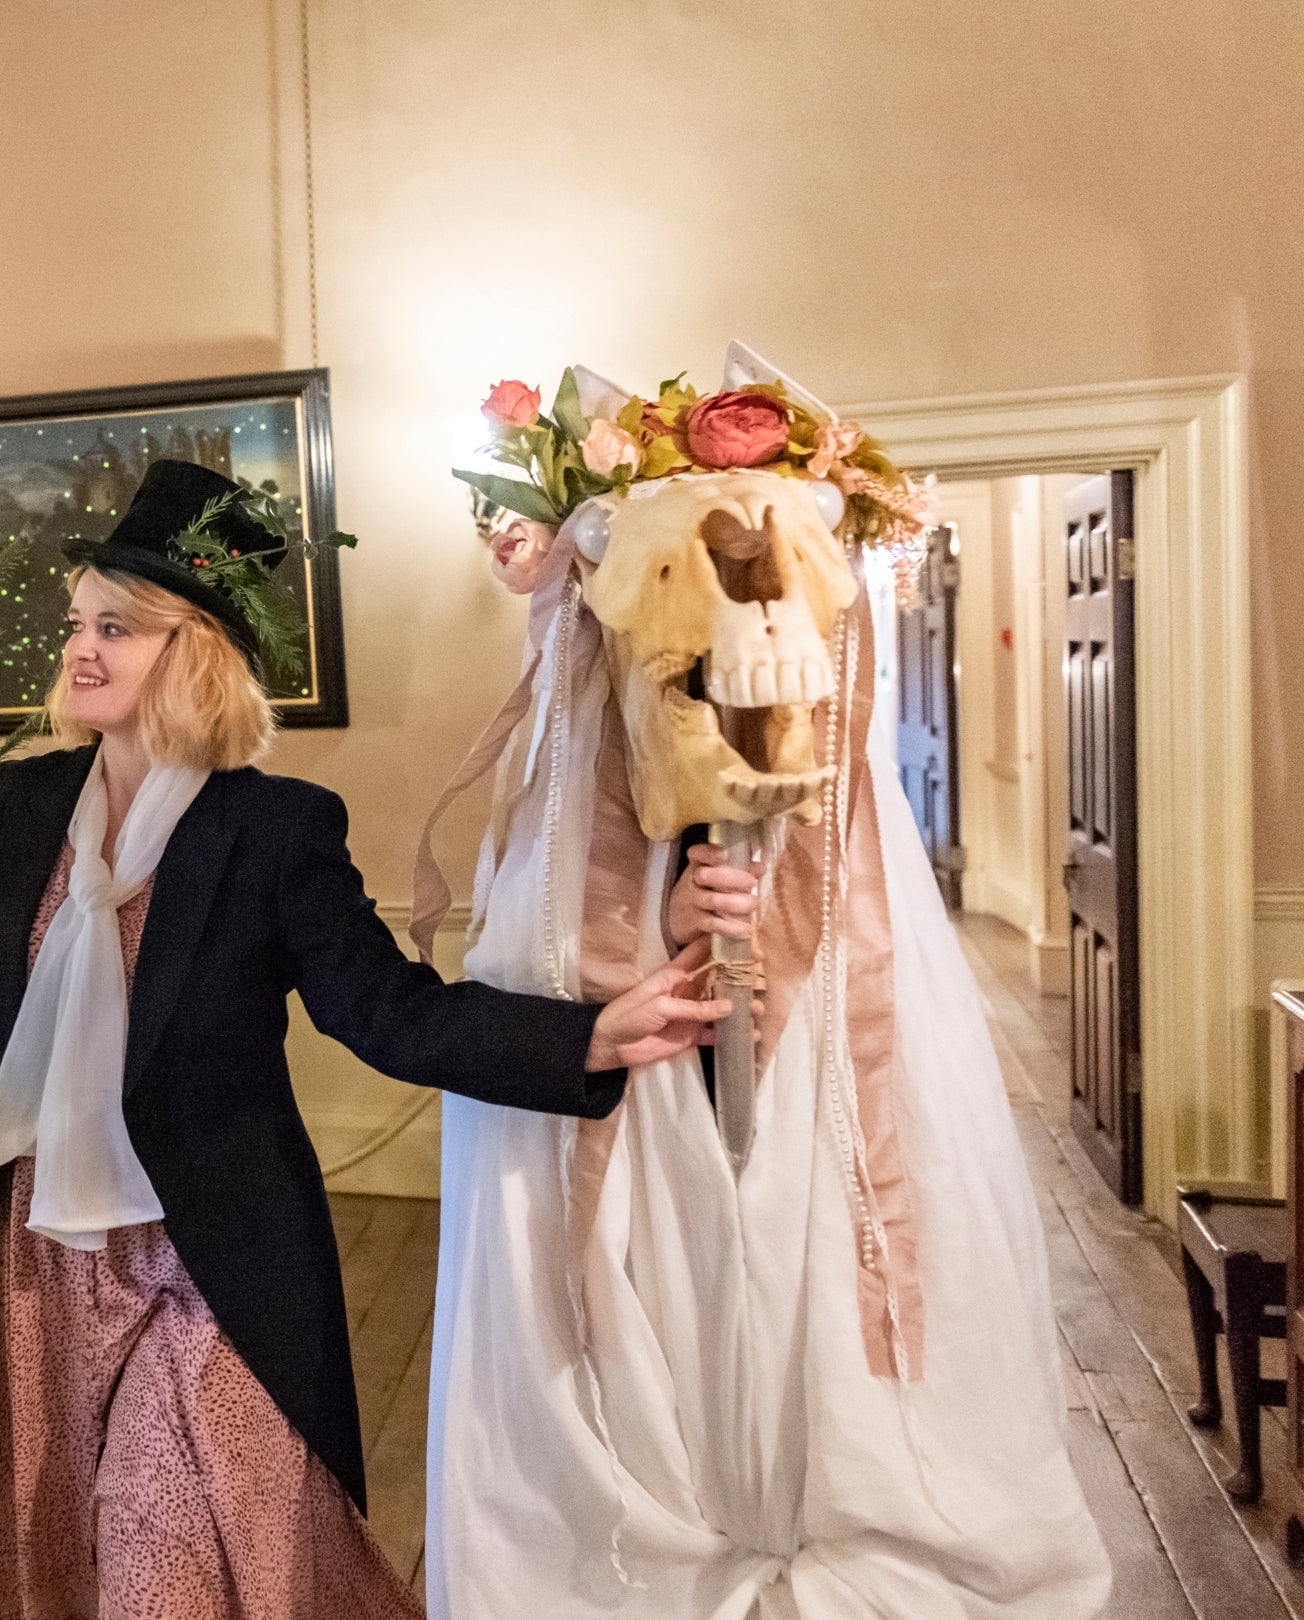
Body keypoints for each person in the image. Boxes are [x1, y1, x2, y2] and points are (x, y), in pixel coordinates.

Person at [0, 459, 732, 1620]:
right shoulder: (19, 807)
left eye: (116, 628)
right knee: (65, 1553)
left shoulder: (272, 830)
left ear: (194, 648)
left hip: (207, 1265)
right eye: (80, 622)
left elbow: (387, 1009)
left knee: (168, 1572)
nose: (81, 649)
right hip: (43, 1259)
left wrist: (585, 1039)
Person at [421, 359, 1110, 1618]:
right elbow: (579, 869)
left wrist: (746, 901)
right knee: (664, 1262)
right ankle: (675, 1498)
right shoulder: (587, 732)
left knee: (798, 1223)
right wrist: (659, 913)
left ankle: (800, 1486)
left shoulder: (797, 697)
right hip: (642, 1065)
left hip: (784, 1043)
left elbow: (784, 809)